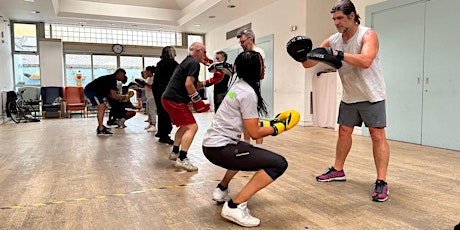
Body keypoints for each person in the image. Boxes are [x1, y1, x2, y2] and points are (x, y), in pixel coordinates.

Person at [292, 0, 390, 202]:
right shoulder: (333, 40)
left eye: (340, 18)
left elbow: (365, 61)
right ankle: (338, 170)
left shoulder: (367, 34)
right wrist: (301, 55)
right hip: (349, 95)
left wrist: (338, 54)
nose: (336, 22)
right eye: (334, 19)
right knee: (344, 132)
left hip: (372, 94)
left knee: (377, 135)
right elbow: (310, 63)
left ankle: (381, 181)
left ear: (352, 16)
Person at [202, 51, 299, 227]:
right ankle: (234, 205)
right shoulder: (248, 93)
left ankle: (222, 189)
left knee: (245, 150)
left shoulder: (238, 86)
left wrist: (273, 121)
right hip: (221, 149)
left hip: (213, 145)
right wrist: (279, 127)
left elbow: (248, 121)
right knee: (278, 163)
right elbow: (254, 132)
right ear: (256, 69)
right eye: (262, 64)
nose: (265, 67)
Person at [161, 42, 223, 172]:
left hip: (169, 98)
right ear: (198, 51)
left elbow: (195, 84)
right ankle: (182, 158)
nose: (205, 56)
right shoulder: (194, 63)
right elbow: (189, 84)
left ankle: (175, 152)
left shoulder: (188, 62)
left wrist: (210, 82)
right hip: (175, 99)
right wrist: (198, 101)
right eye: (204, 52)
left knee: (185, 126)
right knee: (193, 127)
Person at [237, 28, 265, 146]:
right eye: (240, 42)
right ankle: (247, 145)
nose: (241, 44)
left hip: (253, 91)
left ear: (251, 39)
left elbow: (260, 75)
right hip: (244, 90)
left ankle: (259, 149)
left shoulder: (257, 53)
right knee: (245, 120)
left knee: (254, 120)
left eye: (243, 41)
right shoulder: (245, 54)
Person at [84, 68, 132, 136]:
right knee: (102, 107)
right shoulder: (112, 80)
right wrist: (125, 96)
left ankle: (101, 126)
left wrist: (123, 97)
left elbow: (111, 95)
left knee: (103, 107)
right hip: (92, 91)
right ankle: (100, 129)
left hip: (95, 92)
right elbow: (114, 96)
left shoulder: (111, 79)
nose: (124, 77)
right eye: (123, 75)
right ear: (119, 74)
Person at [153, 46, 179, 144]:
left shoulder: (160, 63)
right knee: (166, 112)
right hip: (165, 91)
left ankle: (161, 132)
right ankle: (164, 135)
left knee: (161, 111)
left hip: (157, 90)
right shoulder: (171, 64)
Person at [142, 66, 157, 132]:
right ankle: (150, 124)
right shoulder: (148, 79)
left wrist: (144, 83)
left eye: (146, 71)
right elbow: (146, 87)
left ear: (150, 71)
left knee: (152, 111)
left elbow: (152, 87)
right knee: (148, 111)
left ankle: (154, 125)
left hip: (152, 97)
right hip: (148, 97)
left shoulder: (153, 78)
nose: (145, 72)